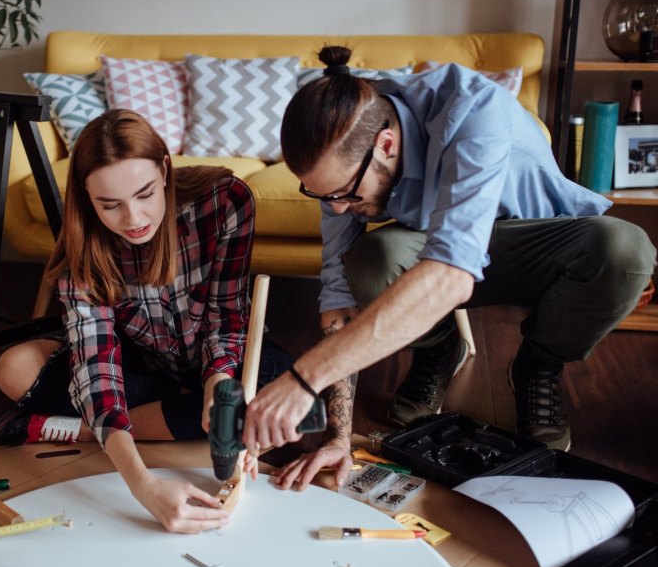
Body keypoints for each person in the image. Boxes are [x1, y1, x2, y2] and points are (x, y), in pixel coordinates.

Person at [242, 46, 657, 490]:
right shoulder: (343, 151)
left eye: (344, 193)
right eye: (324, 197)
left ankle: (539, 366)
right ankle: (438, 350)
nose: (339, 209)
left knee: (627, 249)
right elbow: (340, 297)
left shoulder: (472, 109)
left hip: (532, 242)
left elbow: (450, 275)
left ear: (387, 144)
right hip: (441, 255)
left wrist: (303, 379)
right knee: (369, 259)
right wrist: (338, 438)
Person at [0, 109, 293, 532]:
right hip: (142, 371)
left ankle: (74, 428)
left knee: (284, 399)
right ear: (86, 196)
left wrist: (218, 387)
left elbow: (227, 319)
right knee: (15, 368)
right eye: (110, 205)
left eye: (145, 194)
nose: (133, 219)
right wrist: (143, 484)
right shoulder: (79, 253)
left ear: (166, 169)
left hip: (214, 358)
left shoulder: (225, 200)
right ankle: (144, 423)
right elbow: (96, 367)